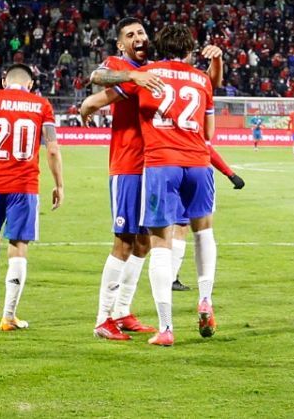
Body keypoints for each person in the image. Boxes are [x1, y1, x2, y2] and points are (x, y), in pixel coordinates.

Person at [81, 17, 243, 339]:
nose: (138, 38)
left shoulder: (155, 72)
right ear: (120, 44)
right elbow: (96, 82)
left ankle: (123, 311)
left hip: (155, 165)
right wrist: (121, 82)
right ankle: (103, 319)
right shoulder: (124, 68)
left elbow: (206, 83)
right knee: (125, 242)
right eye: (130, 35)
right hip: (129, 165)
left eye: (141, 32)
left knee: (144, 243)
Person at [124, 24, 218, 347]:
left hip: (162, 163)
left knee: (160, 243)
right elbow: (209, 132)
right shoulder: (202, 79)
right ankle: (205, 299)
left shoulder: (147, 73)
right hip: (198, 162)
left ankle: (166, 328)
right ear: (190, 50)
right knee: (203, 232)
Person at [0, 63, 64, 331]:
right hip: (24, 186)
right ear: (30, 84)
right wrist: (59, 184)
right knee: (18, 246)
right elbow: (52, 149)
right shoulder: (41, 105)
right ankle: (8, 316)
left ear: (4, 81)